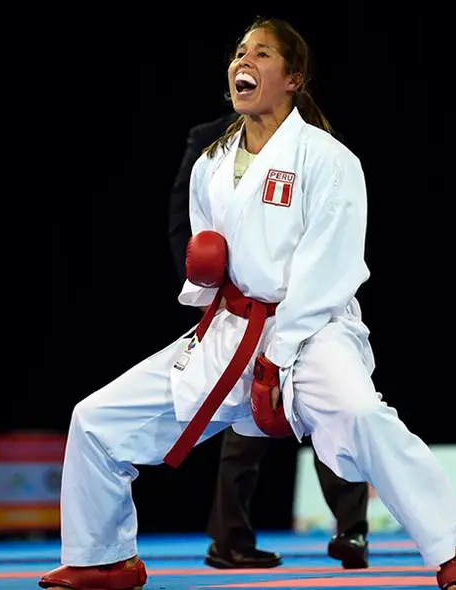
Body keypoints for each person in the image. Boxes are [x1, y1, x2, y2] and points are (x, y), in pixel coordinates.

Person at [39, 17, 456, 590]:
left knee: (362, 415)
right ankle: (104, 559)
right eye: (238, 52)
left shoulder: (329, 159)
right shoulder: (210, 163)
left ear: (294, 78)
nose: (242, 61)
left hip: (313, 333)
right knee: (96, 420)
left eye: (260, 53)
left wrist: (278, 355)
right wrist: (205, 282)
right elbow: (212, 262)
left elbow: (330, 269)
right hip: (231, 330)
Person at [170, 112, 371, 570]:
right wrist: (206, 293)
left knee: (337, 413)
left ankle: (352, 529)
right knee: (244, 426)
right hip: (240, 310)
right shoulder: (211, 144)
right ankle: (229, 539)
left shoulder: (314, 142)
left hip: (307, 307)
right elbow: (186, 223)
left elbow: (335, 225)